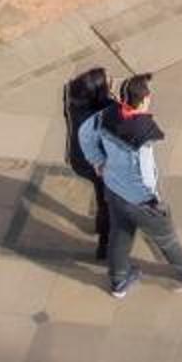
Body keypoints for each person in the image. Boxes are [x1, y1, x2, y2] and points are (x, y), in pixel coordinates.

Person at [77, 72, 182, 299]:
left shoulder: (105, 116)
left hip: (113, 189)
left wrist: (97, 161)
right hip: (140, 201)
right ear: (144, 100)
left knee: (120, 235)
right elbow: (146, 174)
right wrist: (153, 200)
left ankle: (119, 281)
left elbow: (84, 133)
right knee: (165, 236)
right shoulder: (142, 135)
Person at [59, 65, 115, 260]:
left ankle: (101, 225)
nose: (111, 83)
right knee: (106, 202)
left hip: (77, 158)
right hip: (95, 164)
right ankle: (104, 244)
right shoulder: (104, 114)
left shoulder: (71, 95)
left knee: (101, 196)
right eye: (108, 82)